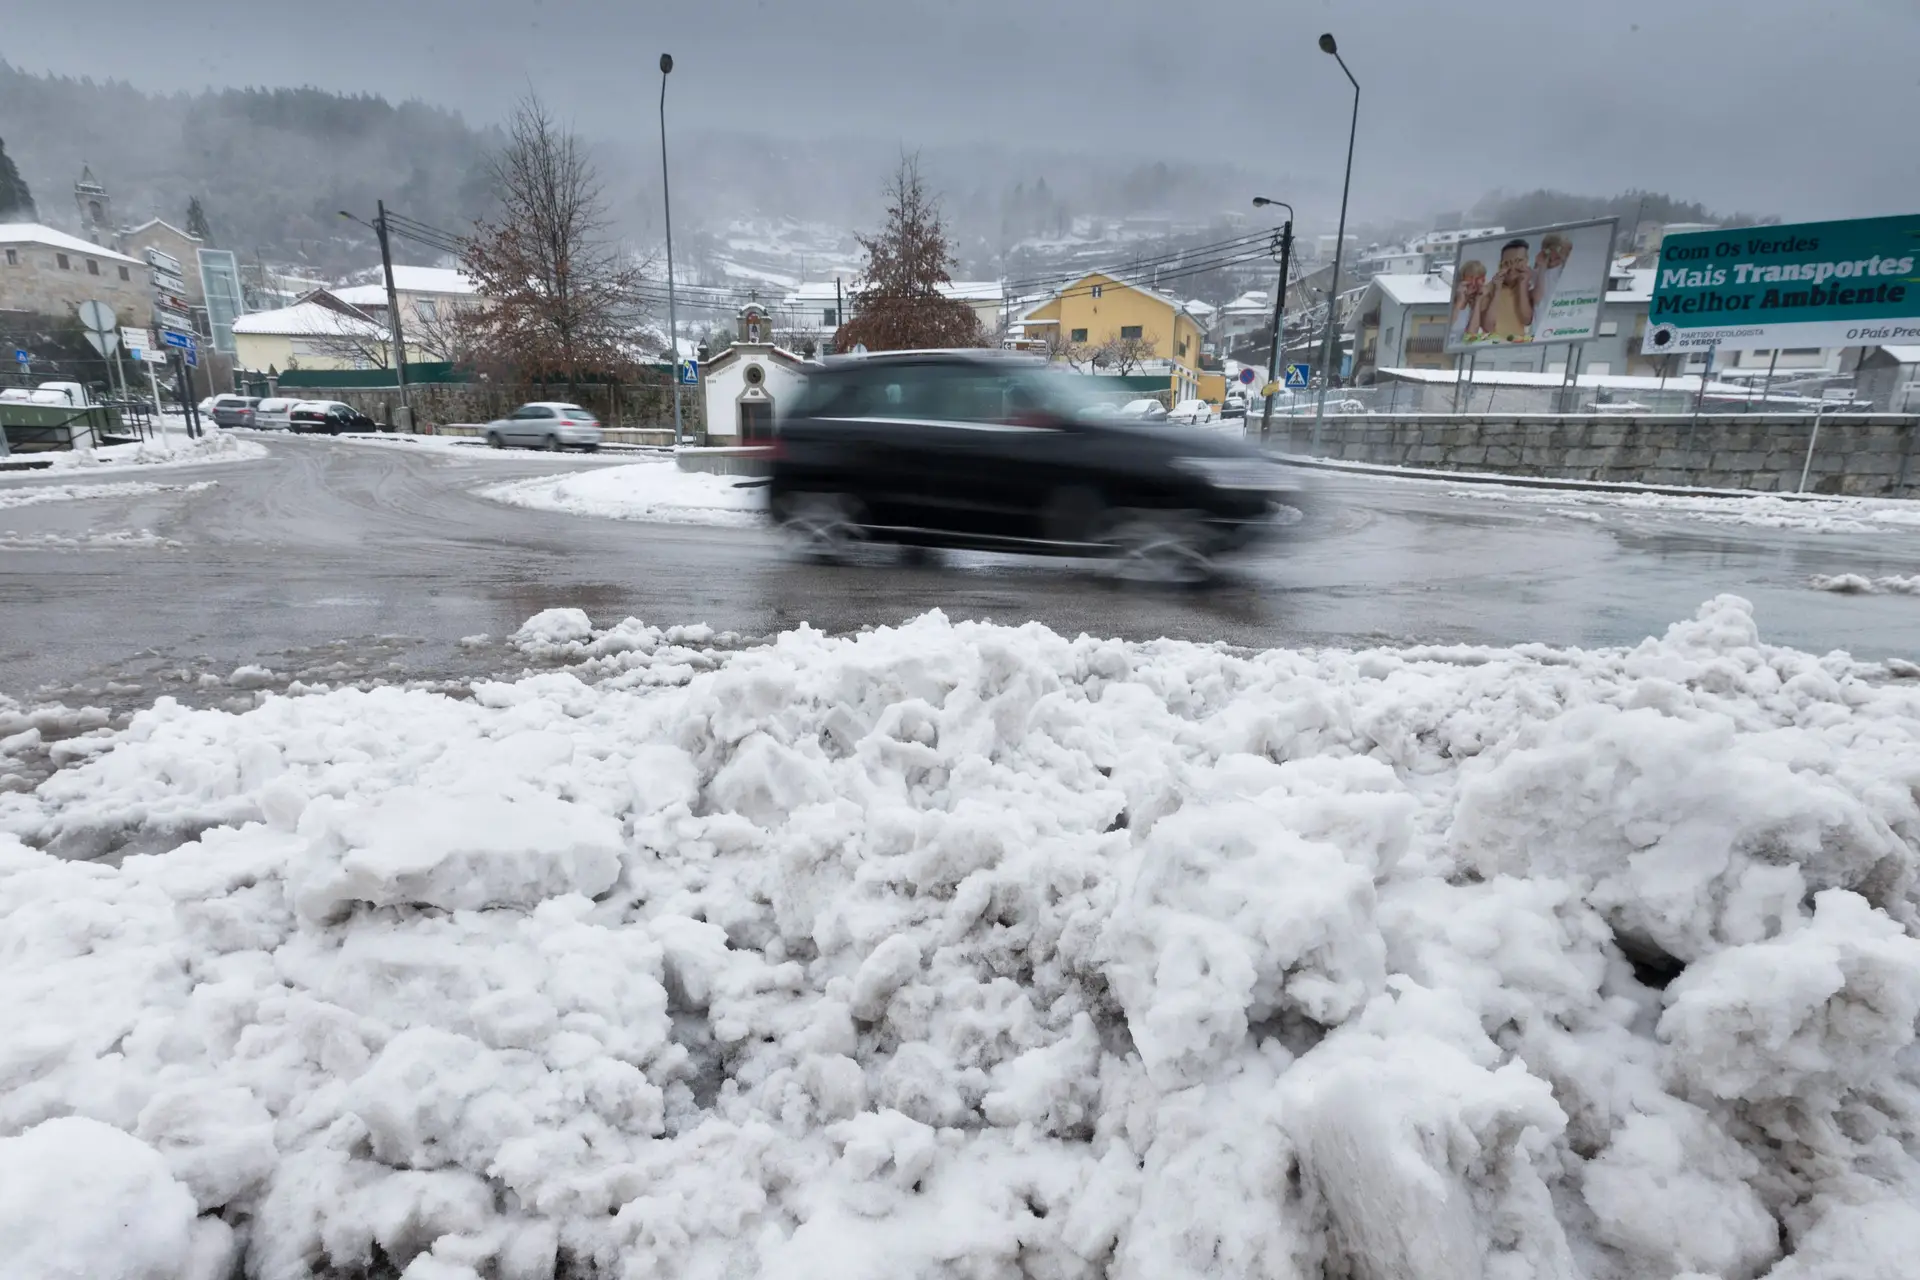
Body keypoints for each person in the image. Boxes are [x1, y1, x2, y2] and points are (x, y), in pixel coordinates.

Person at [1480, 239, 1535, 342]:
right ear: (1501, 264)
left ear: (1526, 262)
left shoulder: (1528, 287)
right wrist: (1497, 291)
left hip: (1518, 347)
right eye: (1508, 263)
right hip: (1493, 347)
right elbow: (1488, 328)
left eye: (1518, 261)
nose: (1512, 267)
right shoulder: (1488, 289)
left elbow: (1526, 320)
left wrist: (1522, 285)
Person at [1530, 233, 1572, 339]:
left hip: (1560, 328)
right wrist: (1542, 267)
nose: (1552, 261)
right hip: (1539, 328)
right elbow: (1536, 298)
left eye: (1557, 257)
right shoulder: (1536, 272)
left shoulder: (1566, 271)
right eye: (1550, 256)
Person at [1448, 260, 1489, 346]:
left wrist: (1478, 301)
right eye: (1470, 277)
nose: (1473, 283)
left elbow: (1471, 336)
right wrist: (1460, 301)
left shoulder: (1477, 306)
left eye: (1477, 278)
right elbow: (1446, 327)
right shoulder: (1451, 300)